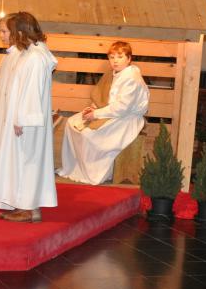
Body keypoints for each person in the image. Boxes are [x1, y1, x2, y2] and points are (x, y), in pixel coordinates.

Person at [0, 12, 58, 223]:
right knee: (20, 161)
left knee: (27, 161)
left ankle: (29, 208)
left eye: (6, 31)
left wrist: (23, 119)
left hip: (26, 122)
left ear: (20, 32)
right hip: (19, 120)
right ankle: (23, 204)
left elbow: (32, 93)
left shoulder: (35, 58)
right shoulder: (26, 54)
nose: (2, 35)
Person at [59, 41, 150, 185]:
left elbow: (121, 108)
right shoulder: (112, 74)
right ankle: (75, 168)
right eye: (112, 57)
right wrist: (93, 108)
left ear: (129, 58)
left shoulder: (132, 78)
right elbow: (101, 95)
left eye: (119, 57)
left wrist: (96, 114)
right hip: (108, 112)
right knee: (72, 123)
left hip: (126, 119)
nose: (115, 61)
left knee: (90, 134)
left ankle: (95, 173)